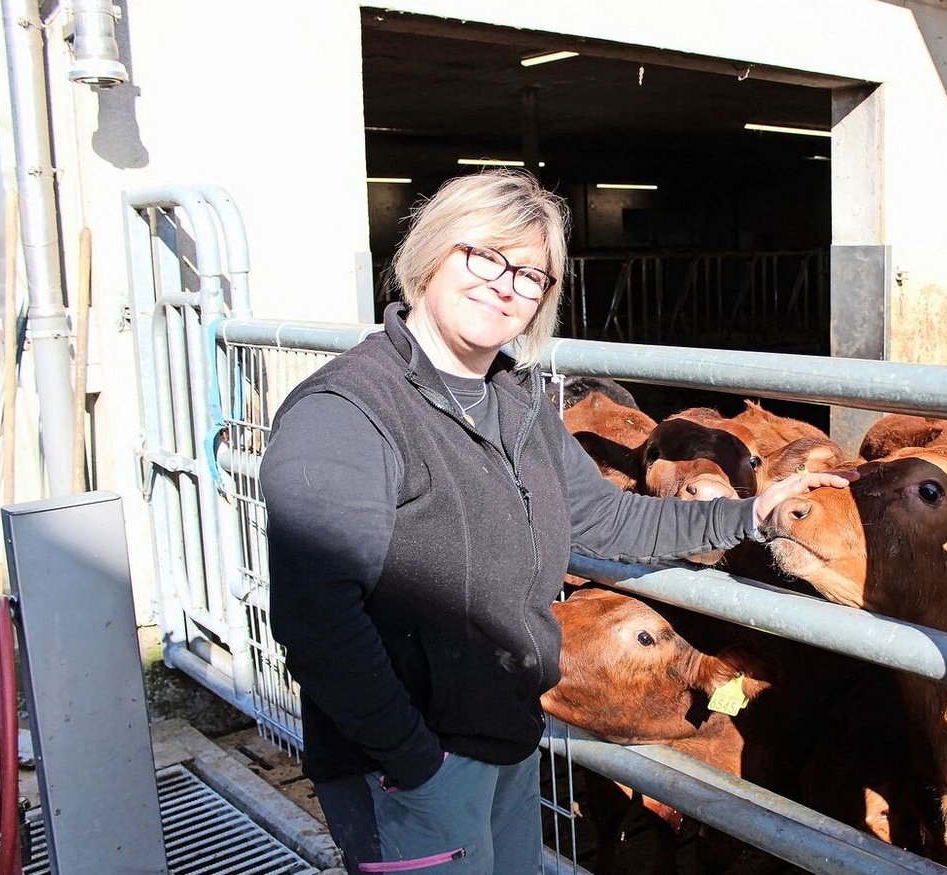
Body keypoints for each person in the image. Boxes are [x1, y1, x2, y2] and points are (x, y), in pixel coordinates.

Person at [261, 169, 853, 874]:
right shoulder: (349, 412)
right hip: (413, 759)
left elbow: (605, 520)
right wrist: (412, 755)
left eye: (530, 273)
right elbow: (316, 620)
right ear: (430, 253)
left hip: (507, 735)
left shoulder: (516, 403)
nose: (504, 284)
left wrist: (749, 515)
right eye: (483, 255)